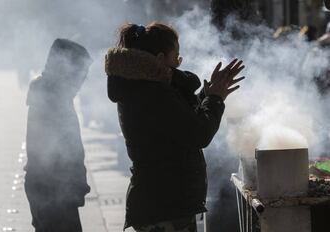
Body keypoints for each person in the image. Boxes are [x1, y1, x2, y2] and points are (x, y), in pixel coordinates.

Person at [105, 22, 245, 232]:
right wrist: (215, 99)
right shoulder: (152, 91)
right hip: (164, 204)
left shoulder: (143, 86)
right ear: (161, 58)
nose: (179, 62)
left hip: (161, 202)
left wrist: (206, 97)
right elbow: (198, 133)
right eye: (176, 55)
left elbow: (178, 122)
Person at [24, 38, 92, 232]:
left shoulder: (52, 93)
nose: (82, 80)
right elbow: (57, 152)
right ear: (65, 69)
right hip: (53, 190)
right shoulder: (53, 98)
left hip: (51, 189)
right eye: (81, 73)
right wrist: (74, 184)